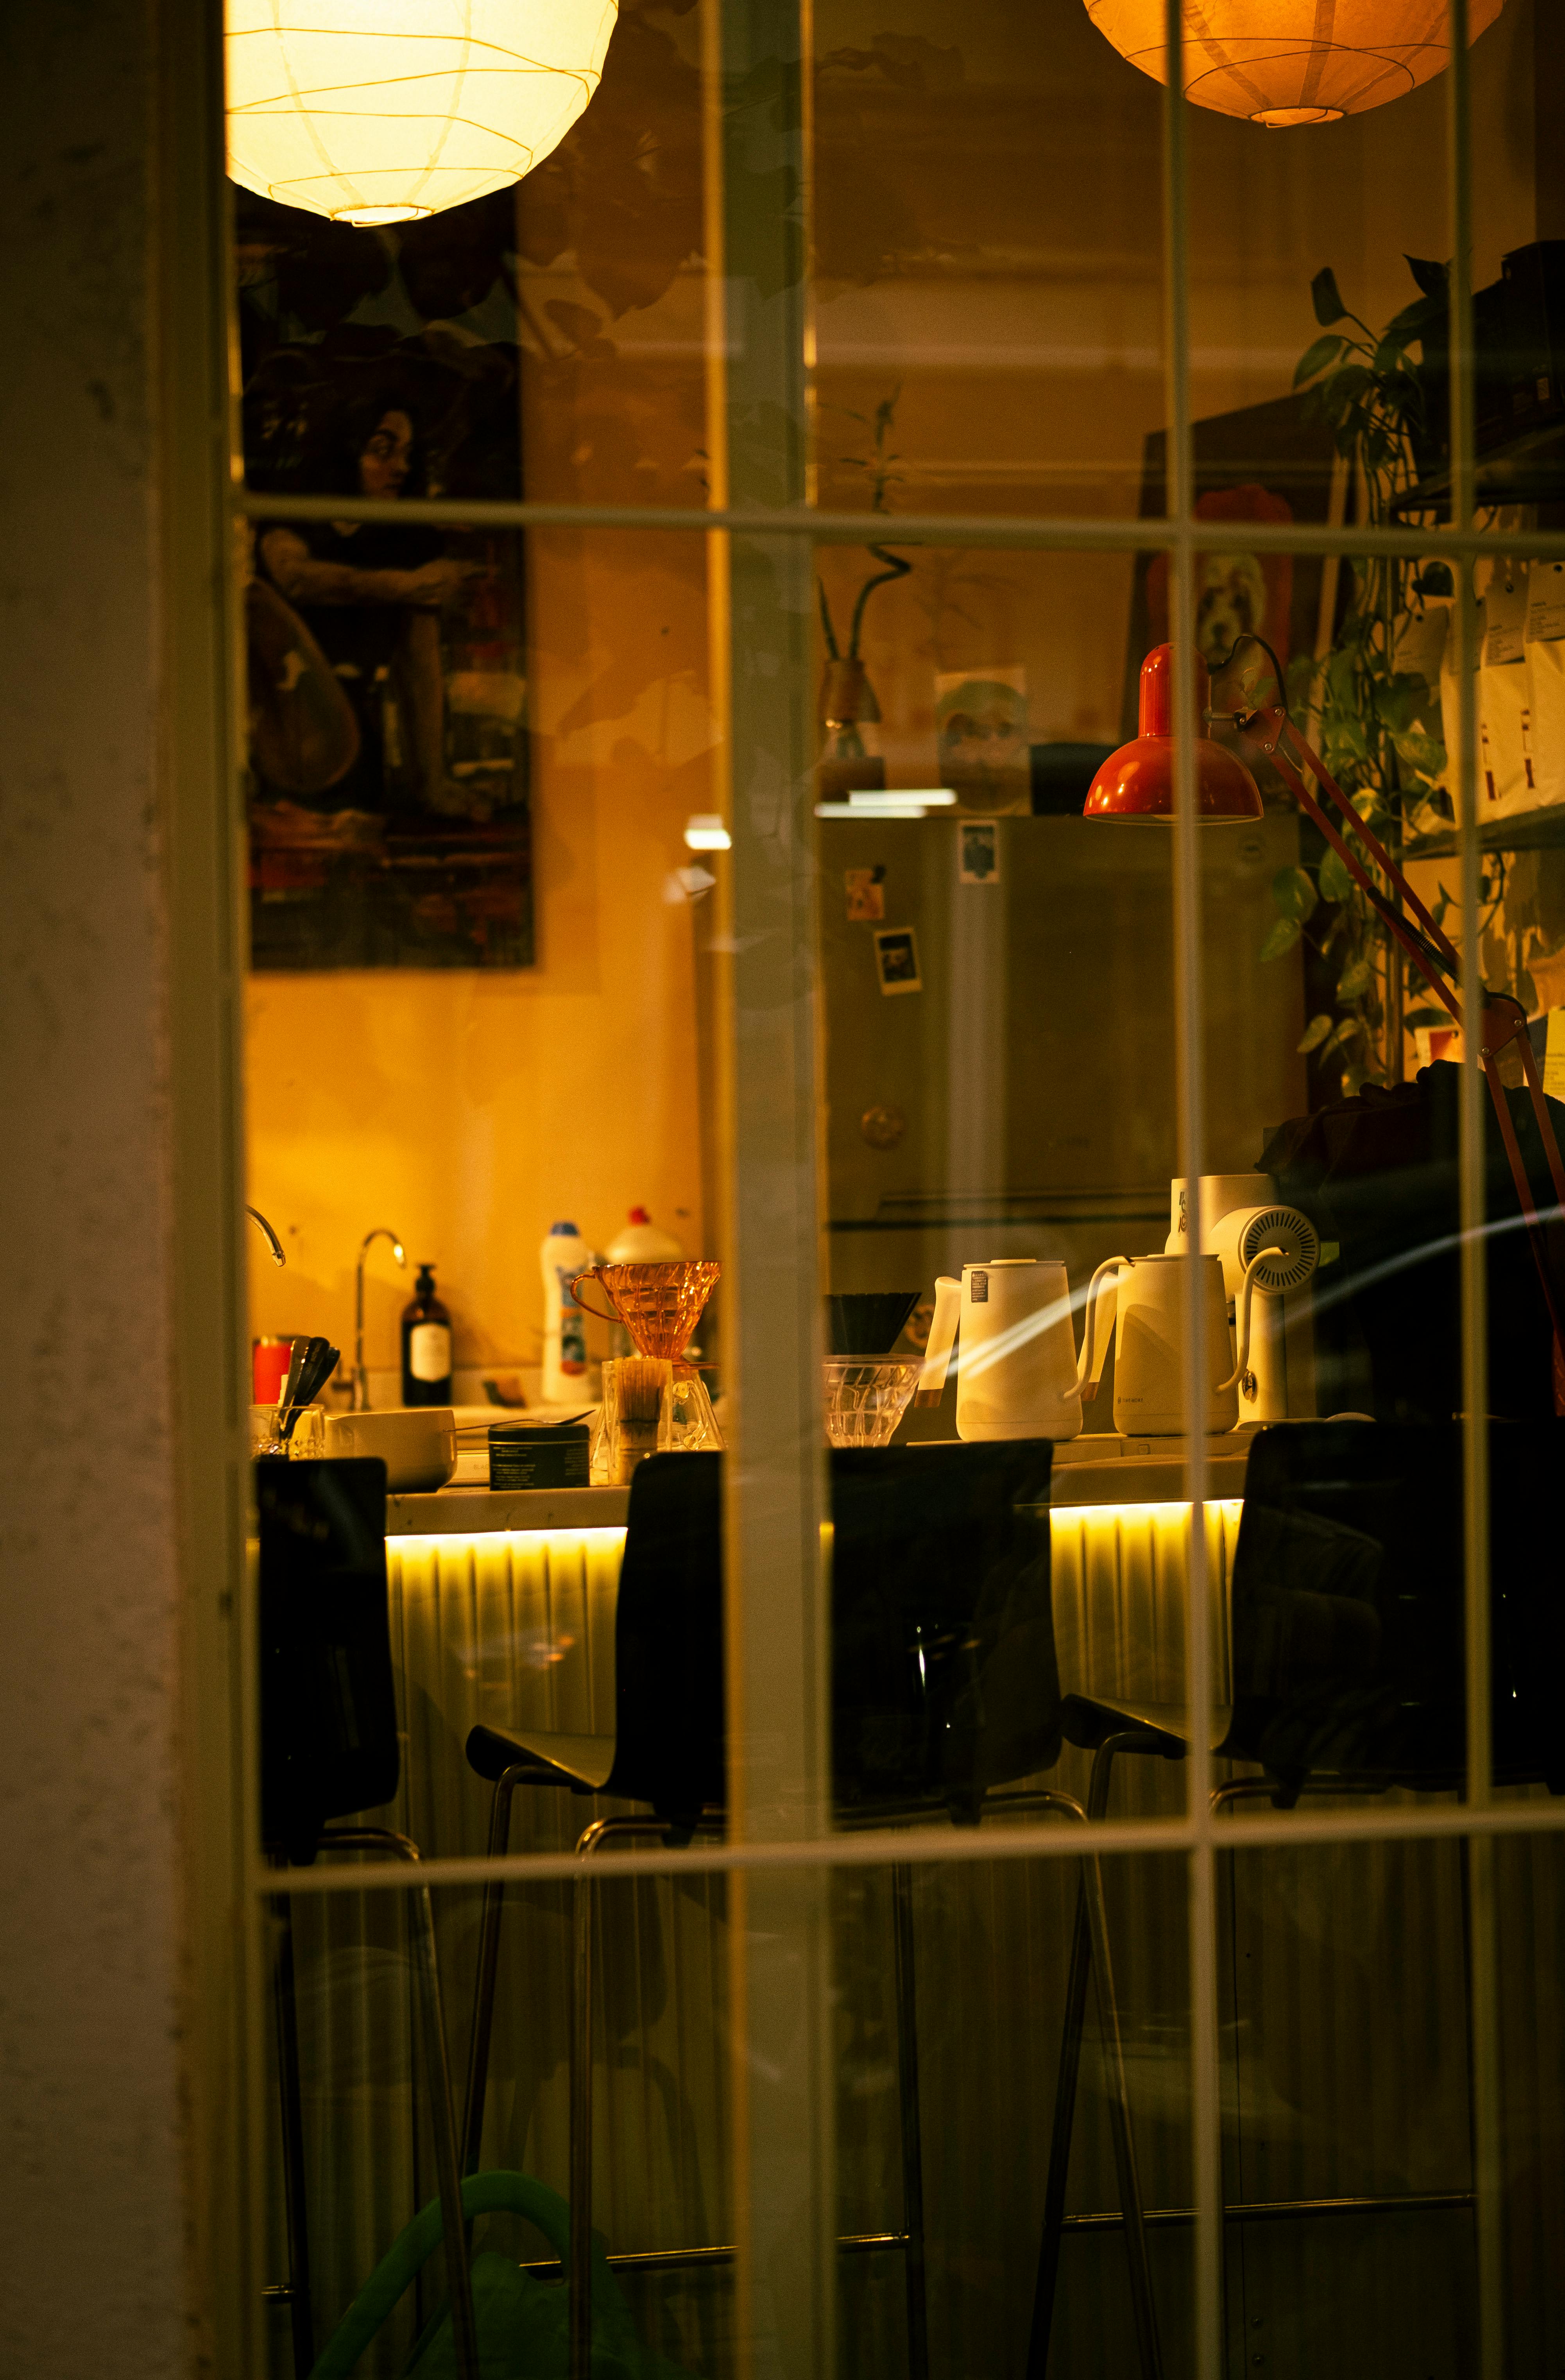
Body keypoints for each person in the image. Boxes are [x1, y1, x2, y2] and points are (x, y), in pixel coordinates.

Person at [258, 398, 478, 813]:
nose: (400, 467)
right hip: (278, 727)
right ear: (348, 449)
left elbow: (420, 663)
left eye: (407, 454)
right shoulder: (296, 512)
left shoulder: (405, 539)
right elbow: (296, 577)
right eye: (383, 450)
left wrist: (431, 780)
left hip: (357, 740)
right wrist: (401, 586)